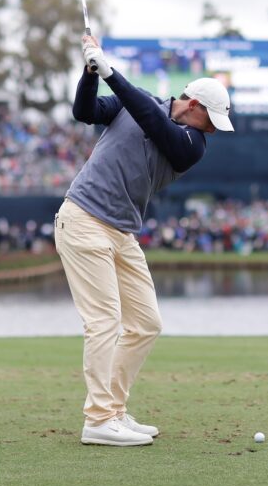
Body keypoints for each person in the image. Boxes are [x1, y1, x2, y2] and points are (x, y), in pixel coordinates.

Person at [54, 35, 234, 446]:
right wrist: (89, 73)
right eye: (212, 120)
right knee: (103, 322)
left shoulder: (193, 144)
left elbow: (153, 121)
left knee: (146, 324)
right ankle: (99, 420)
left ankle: (114, 409)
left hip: (121, 231)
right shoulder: (136, 101)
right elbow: (84, 111)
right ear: (193, 105)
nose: (214, 131)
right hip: (82, 218)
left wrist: (111, 72)